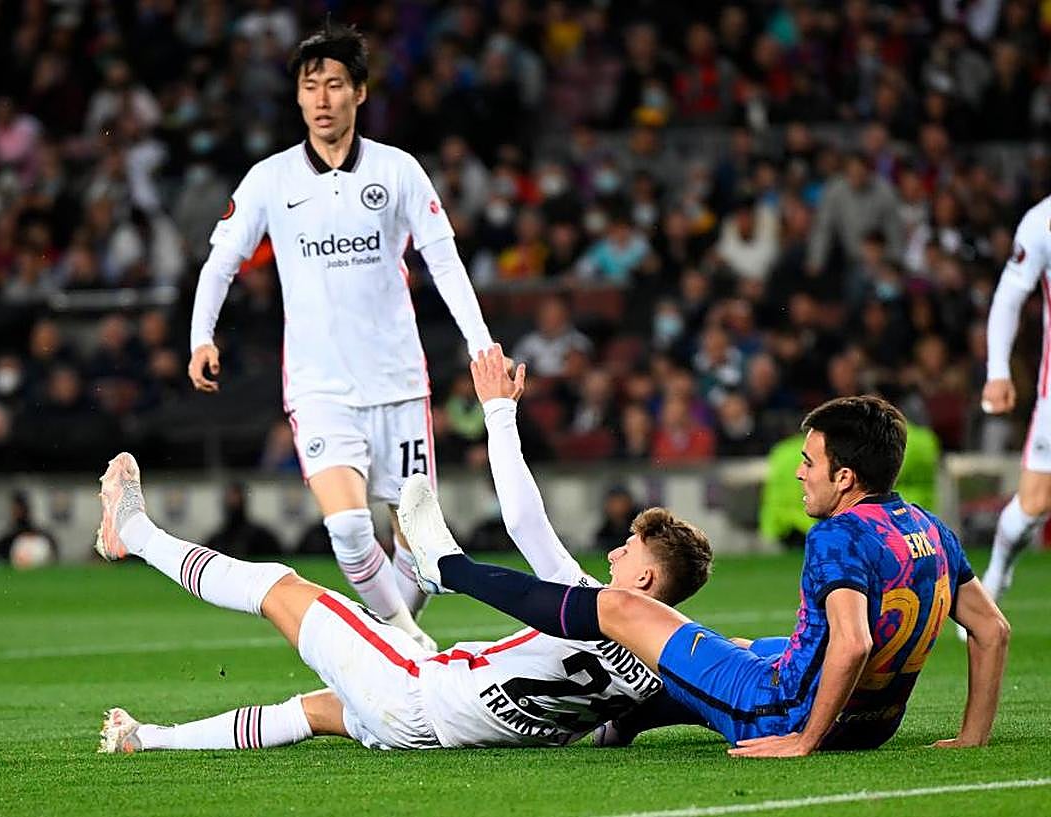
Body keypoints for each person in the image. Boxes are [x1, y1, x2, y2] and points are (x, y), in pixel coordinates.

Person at [91, 346, 712, 754]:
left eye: (629, 551)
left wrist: (498, 411)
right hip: (435, 735)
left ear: (649, 581)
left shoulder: (590, 603)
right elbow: (623, 723)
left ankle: (135, 534)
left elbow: (524, 519)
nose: (613, 557)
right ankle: (146, 738)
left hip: (415, 691)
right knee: (316, 710)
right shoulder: (661, 668)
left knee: (281, 589)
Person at [399, 394, 1010, 757]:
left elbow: (853, 642)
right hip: (874, 726)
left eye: (809, 462)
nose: (800, 473)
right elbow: (993, 630)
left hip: (785, 713)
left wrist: (804, 741)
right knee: (735, 649)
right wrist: (972, 739)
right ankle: (628, 718)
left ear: (845, 477)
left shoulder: (837, 534)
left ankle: (446, 567)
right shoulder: (930, 527)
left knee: (620, 611)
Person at [186, 21, 497, 649]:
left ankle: (397, 642)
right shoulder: (271, 180)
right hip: (320, 388)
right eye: (310, 86)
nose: (322, 98)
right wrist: (201, 337)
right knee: (349, 532)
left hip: (399, 384)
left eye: (335, 84)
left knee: (422, 553)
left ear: (360, 92)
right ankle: (409, 644)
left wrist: (481, 343)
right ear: (297, 97)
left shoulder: (399, 170)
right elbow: (220, 261)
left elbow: (443, 259)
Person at [977, 195, 1051, 608]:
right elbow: (1009, 296)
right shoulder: (1042, 221)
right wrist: (998, 372)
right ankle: (998, 568)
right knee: (1035, 503)